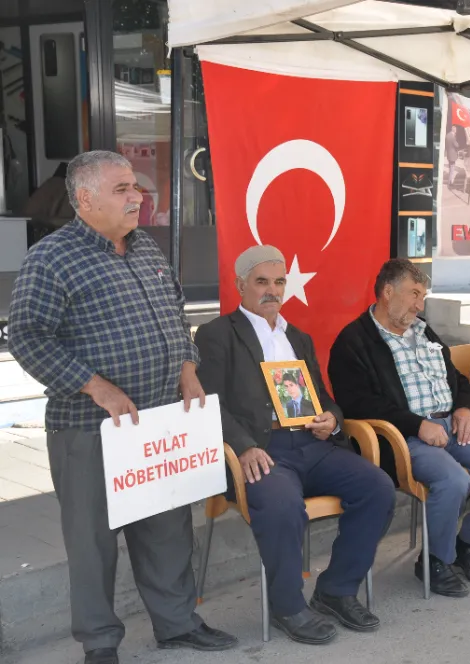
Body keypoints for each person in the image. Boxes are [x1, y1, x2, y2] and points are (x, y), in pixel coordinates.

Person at [7, 151, 237, 664]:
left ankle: (177, 624)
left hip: (157, 423)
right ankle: (100, 643)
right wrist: (95, 387)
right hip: (90, 428)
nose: (137, 197)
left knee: (167, 528)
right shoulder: (52, 258)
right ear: (85, 199)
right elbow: (27, 337)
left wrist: (187, 370)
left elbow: (174, 314)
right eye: (122, 189)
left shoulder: (146, 247)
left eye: (135, 187)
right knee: (92, 541)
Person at [194, 245, 395, 645]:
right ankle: (288, 606)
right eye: (261, 282)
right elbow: (208, 402)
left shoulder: (298, 337)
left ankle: (335, 590)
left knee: (378, 488)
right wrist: (244, 446)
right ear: (240, 286)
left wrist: (331, 420)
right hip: (261, 450)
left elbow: (323, 397)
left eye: (279, 282)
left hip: (311, 444)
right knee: (282, 505)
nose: (272, 290)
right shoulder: (218, 334)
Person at [329, 259, 470, 598]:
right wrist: (417, 424)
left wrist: (465, 407)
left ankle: (469, 543)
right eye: (414, 294)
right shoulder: (354, 341)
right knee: (454, 481)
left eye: (423, 296)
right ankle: (434, 560)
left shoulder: (423, 331)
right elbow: (358, 404)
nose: (420, 305)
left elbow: (458, 379)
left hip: (451, 425)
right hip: (403, 436)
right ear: (387, 292)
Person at [445, 125, 460, 190]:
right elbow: (456, 145)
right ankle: (450, 183)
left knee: (450, 168)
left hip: (448, 154)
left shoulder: (447, 135)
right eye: (456, 130)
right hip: (453, 155)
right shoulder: (453, 137)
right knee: (452, 169)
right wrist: (457, 142)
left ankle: (450, 182)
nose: (456, 131)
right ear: (454, 130)